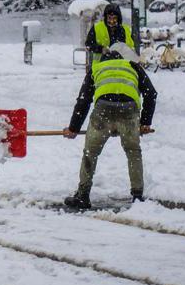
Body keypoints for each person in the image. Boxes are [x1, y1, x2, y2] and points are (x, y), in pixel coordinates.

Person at [62, 42, 157, 209]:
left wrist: (73, 128)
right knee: (133, 152)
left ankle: (83, 195)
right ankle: (137, 196)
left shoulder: (96, 69)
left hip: (103, 110)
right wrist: (145, 123)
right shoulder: (132, 66)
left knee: (90, 153)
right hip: (129, 110)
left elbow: (83, 101)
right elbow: (151, 93)